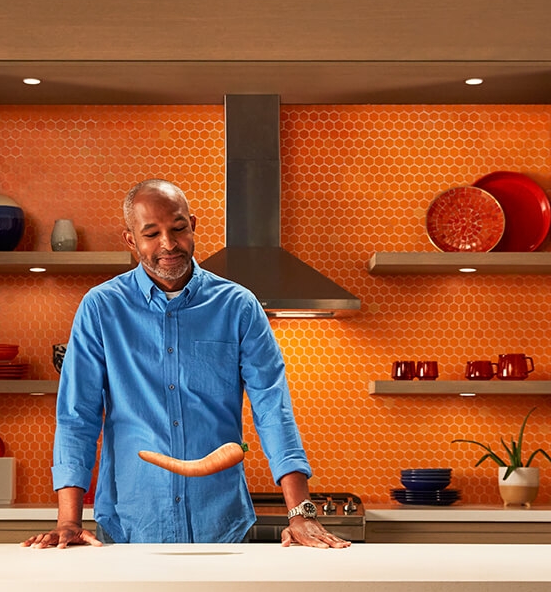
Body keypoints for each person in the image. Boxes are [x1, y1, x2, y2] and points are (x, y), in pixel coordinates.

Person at [22, 179, 349, 549]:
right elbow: (76, 416)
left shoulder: (239, 307)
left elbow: (273, 409)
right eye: (152, 233)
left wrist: (300, 514)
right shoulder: (101, 308)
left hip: (221, 522)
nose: (168, 244)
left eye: (178, 228)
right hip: (131, 523)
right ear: (131, 240)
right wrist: (68, 520)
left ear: (192, 224)